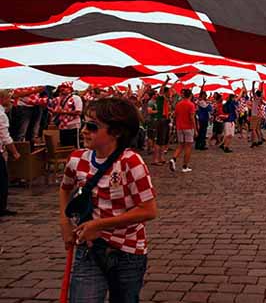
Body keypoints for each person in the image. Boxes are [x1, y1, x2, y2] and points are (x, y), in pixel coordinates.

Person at [59, 98, 157, 302]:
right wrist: (64, 222)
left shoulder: (131, 162)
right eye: (84, 123)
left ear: (117, 132)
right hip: (90, 247)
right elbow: (65, 188)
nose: (84, 130)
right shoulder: (77, 159)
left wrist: (99, 224)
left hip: (127, 251)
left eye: (92, 126)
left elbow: (148, 210)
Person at [0, 90, 21, 216]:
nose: (10, 101)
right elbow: (5, 137)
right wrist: (15, 152)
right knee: (2, 180)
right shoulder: (1, 115)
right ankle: (1, 208)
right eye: (8, 98)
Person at [169, 88, 197, 173]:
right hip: (188, 127)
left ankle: (173, 159)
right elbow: (192, 118)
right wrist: (195, 129)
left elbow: (175, 115)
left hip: (179, 127)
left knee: (180, 145)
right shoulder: (191, 105)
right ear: (190, 95)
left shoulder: (178, 104)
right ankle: (185, 166)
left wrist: (175, 125)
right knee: (188, 147)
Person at [55, 83, 83, 147]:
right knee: (64, 146)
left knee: (74, 145)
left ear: (70, 89)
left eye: (65, 87)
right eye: (61, 88)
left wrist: (63, 112)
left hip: (73, 125)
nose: (62, 89)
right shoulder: (60, 99)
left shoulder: (76, 98)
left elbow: (78, 112)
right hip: (62, 126)